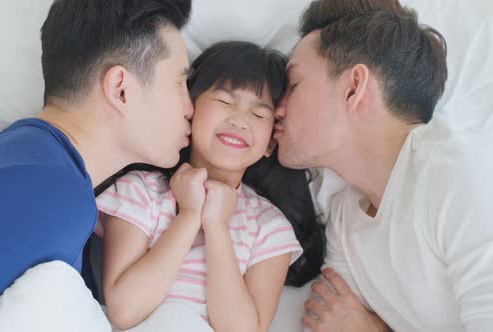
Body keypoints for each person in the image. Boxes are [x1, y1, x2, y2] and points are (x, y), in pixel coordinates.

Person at [0, 0, 193, 330]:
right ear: (121, 89)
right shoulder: (52, 191)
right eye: (180, 83)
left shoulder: (19, 150)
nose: (189, 107)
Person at [273, 0, 493, 331]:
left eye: (294, 86)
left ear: (353, 88)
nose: (276, 108)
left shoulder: (460, 175)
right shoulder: (344, 220)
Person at [93, 41, 326, 331]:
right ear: (189, 111)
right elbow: (124, 311)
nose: (239, 120)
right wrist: (189, 215)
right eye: (226, 102)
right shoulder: (138, 193)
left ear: (269, 143)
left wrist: (217, 228)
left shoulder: (270, 227)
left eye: (259, 114)